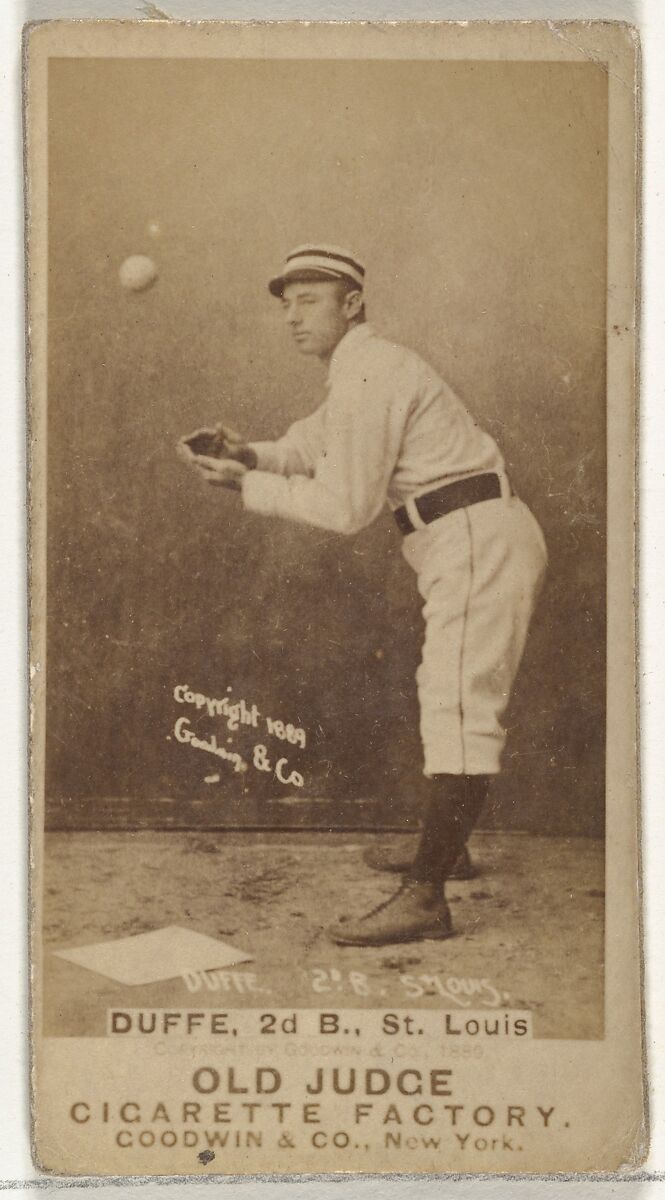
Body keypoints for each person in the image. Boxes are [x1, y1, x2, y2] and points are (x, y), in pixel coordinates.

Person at [179, 243, 548, 947]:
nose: (293, 317)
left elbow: (345, 505)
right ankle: (447, 850)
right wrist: (247, 453)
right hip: (460, 535)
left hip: (472, 533)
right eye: (286, 303)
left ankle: (427, 897)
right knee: (449, 696)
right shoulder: (358, 370)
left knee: (459, 704)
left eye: (309, 299)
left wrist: (243, 486)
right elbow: (311, 444)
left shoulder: (373, 370)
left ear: (352, 305)